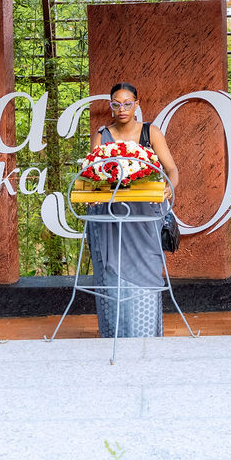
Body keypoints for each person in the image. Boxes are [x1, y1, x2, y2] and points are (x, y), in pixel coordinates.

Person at [86, 82, 179, 338]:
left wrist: (169, 187)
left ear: (137, 104)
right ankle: (114, 335)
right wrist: (93, 193)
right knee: (111, 273)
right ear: (111, 106)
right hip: (110, 218)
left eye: (128, 103)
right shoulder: (102, 135)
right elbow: (92, 174)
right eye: (116, 104)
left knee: (147, 270)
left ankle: (145, 333)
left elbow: (172, 170)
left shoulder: (151, 132)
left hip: (144, 218)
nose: (122, 109)